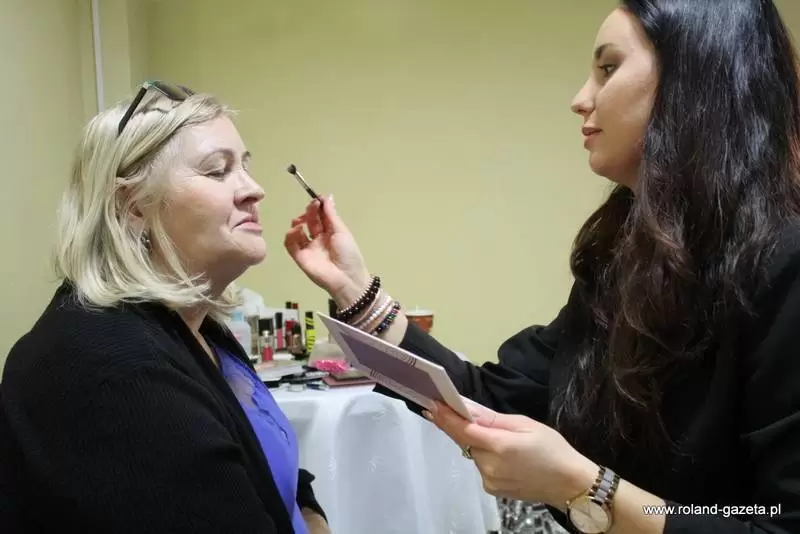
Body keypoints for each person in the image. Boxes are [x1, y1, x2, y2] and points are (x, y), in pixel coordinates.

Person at [284, 0, 800, 533]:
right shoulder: (622, 260)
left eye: (609, 68)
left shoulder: (786, 263)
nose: (580, 99)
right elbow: (489, 399)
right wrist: (356, 291)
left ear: (694, 81)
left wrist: (585, 489)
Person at [0, 81, 329, 534]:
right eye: (218, 171)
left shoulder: (198, 328)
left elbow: (278, 472)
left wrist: (313, 518)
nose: (254, 190)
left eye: (245, 167)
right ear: (133, 206)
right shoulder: (114, 370)